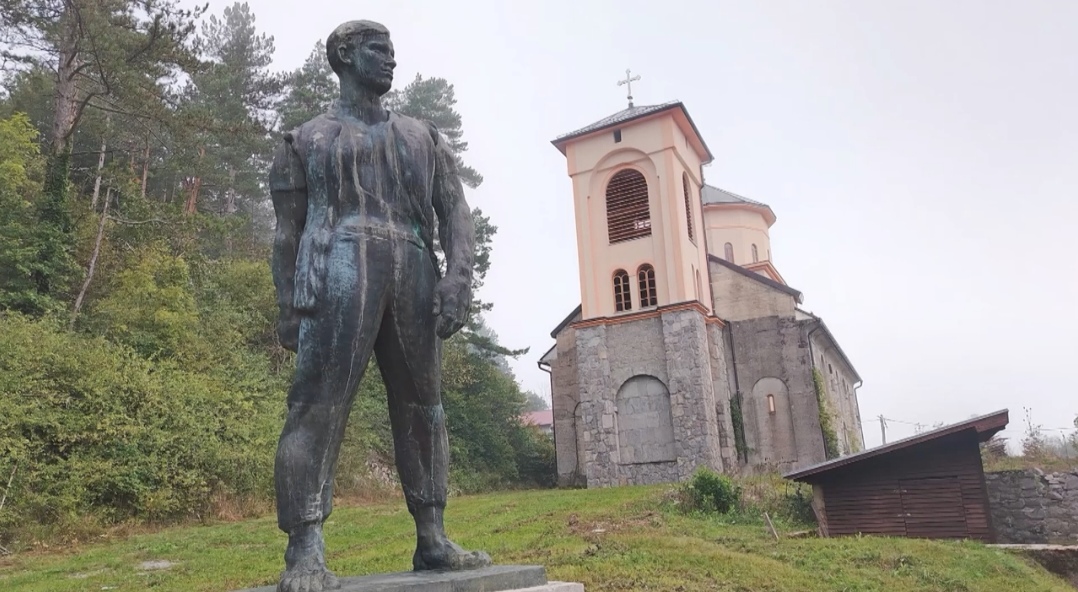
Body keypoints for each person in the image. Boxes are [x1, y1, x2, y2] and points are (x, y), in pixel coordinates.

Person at [268, 20, 491, 592]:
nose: (391, 60)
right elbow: (286, 233)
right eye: (378, 50)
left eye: (392, 51)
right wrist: (289, 305)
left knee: (425, 407)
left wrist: (458, 278)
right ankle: (304, 546)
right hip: (335, 264)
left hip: (414, 268)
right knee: (316, 406)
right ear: (344, 56)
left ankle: (433, 537)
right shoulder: (305, 139)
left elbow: (455, 211)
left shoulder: (422, 136)